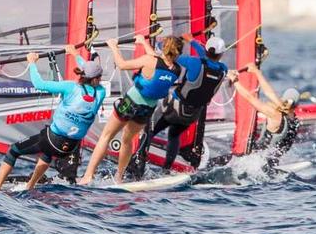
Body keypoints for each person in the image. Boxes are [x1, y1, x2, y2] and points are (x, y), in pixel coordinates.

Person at [0, 46, 106, 190]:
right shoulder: (101, 92)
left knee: (14, 150)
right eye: (100, 77)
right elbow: (87, 70)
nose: (101, 79)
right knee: (47, 154)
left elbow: (39, 84)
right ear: (96, 79)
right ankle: (30, 186)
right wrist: (75, 54)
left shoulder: (70, 87)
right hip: (70, 147)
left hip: (53, 139)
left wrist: (32, 62)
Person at [78, 35, 184, 184]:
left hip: (132, 101)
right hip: (147, 109)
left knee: (106, 136)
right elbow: (158, 59)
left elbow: (121, 65)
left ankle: (88, 175)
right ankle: (119, 177)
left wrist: (113, 46)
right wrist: (143, 42)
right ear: (179, 53)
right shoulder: (177, 70)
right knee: (127, 140)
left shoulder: (149, 60)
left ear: (164, 48)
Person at [130, 34, 229, 175]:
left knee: (150, 131)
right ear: (221, 54)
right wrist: (192, 41)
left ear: (207, 50)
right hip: (193, 115)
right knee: (174, 134)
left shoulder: (195, 63)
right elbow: (208, 59)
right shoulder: (223, 69)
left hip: (175, 108)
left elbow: (170, 54)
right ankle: (167, 169)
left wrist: (160, 44)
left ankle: (137, 162)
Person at [229, 63, 300, 173]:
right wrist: (257, 73)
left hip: (257, 164)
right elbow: (269, 93)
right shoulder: (294, 120)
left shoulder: (274, 114)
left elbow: (249, 98)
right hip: (273, 162)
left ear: (283, 99)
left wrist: (235, 81)